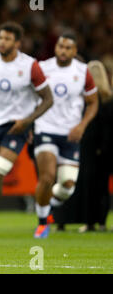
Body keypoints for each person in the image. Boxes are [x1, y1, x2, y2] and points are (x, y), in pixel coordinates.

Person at [0, 21, 53, 239]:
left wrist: (27, 121)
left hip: (16, 128)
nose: (1, 43)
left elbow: (48, 99)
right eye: (0, 38)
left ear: (17, 43)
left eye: (6, 39)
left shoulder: (30, 66)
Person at [31, 33, 99, 238]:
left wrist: (82, 125)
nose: (63, 51)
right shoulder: (43, 68)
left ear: (75, 51)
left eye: (68, 48)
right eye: (60, 46)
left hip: (70, 134)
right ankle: (42, 223)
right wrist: (29, 124)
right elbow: (30, 96)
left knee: (68, 186)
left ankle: (47, 204)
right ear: (56, 48)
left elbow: (93, 102)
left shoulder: (83, 72)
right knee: (48, 176)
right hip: (46, 129)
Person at [54, 60, 112, 232]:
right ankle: (100, 222)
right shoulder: (108, 100)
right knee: (100, 188)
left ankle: (76, 221)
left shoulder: (84, 101)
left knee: (78, 185)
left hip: (85, 148)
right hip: (103, 151)